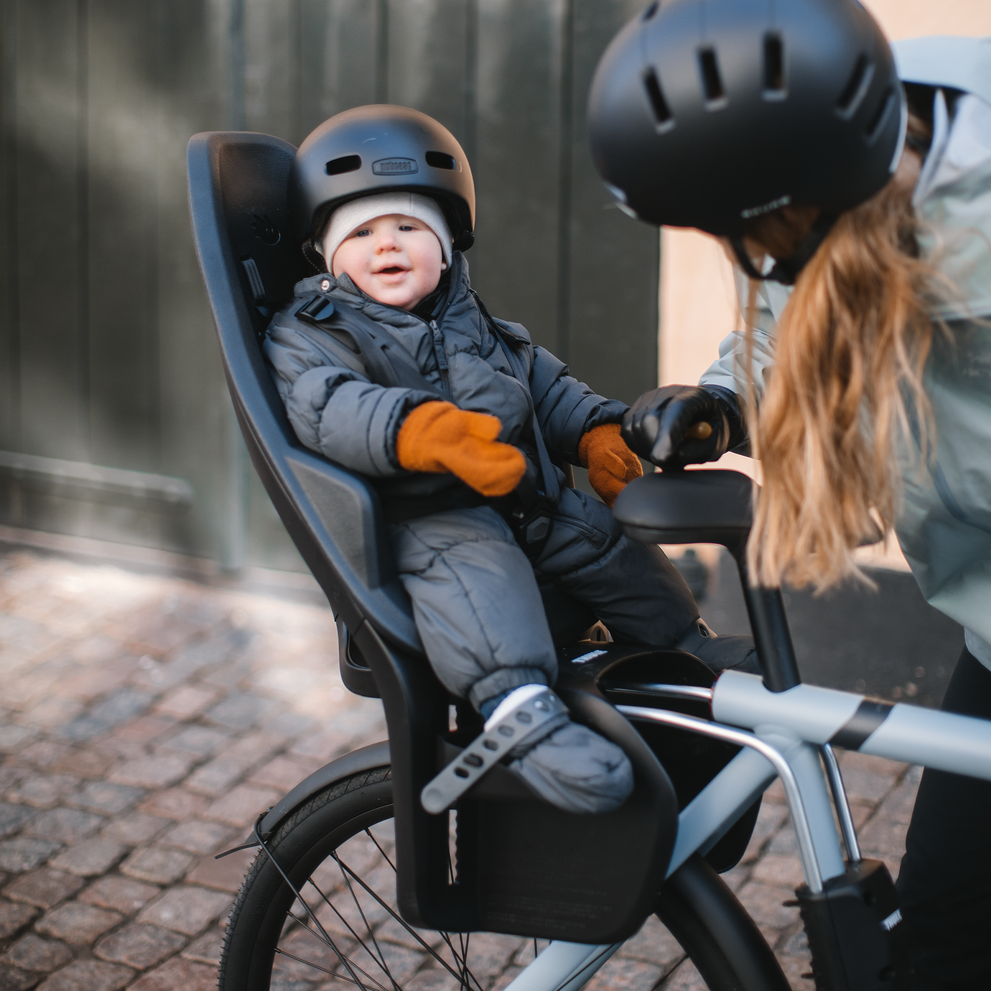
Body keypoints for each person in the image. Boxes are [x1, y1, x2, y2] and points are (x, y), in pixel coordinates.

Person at [589, 3, 991, 988]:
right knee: (942, 941)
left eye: (752, 231)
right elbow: (787, 324)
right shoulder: (834, 178)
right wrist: (722, 408)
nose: (745, 255)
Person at [264, 105, 756, 816]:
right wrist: (421, 431)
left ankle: (684, 656)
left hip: (533, 504)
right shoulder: (312, 332)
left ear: (446, 243)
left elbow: (540, 384)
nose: (385, 246)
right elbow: (324, 405)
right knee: (482, 588)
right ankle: (522, 715)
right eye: (361, 232)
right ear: (327, 252)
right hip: (431, 522)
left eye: (407, 226)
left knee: (618, 551)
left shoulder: (470, 316)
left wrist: (594, 432)